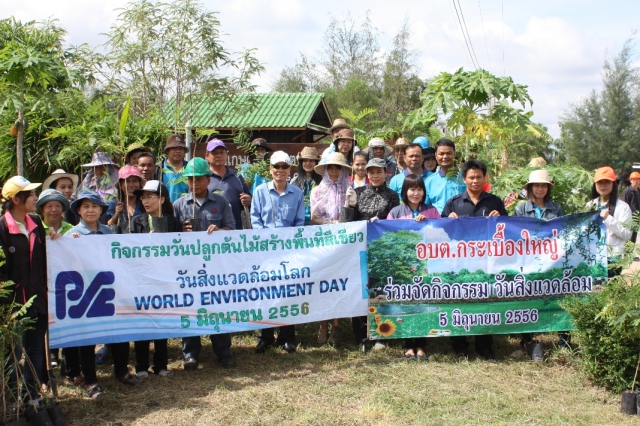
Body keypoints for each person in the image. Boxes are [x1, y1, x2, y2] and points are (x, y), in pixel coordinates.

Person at [65, 190, 144, 397]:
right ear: (79, 211)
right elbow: (64, 263)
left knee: (119, 331)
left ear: (101, 210)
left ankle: (121, 372)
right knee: (87, 338)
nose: (90, 210)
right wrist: (68, 245)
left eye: (94, 206)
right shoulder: (72, 235)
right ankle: (90, 381)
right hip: (85, 294)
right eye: (85, 207)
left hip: (110, 290)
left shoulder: (108, 232)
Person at [173, 157, 237, 370]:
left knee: (218, 306)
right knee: (190, 307)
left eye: (199, 179)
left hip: (215, 267)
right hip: (188, 268)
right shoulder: (179, 205)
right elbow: (170, 238)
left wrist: (219, 231)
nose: (194, 183)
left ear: (208, 180)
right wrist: (180, 231)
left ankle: (223, 351)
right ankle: (190, 354)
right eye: (190, 179)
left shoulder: (221, 202)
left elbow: (231, 229)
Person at [442, 159, 508, 361]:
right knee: (459, 301)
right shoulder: (454, 203)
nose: (475, 180)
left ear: (484, 178)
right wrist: (448, 220)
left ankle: (485, 346)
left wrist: (500, 218)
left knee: (485, 302)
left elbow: (506, 229)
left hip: (486, 262)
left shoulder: (495, 202)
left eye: (479, 177)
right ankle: (460, 347)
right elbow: (441, 232)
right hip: (460, 262)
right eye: (471, 177)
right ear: (464, 179)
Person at [251, 151, 305, 354]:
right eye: (276, 166)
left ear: (289, 169)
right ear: (270, 169)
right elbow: (255, 219)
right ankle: (265, 336)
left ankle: (287, 337)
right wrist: (267, 241)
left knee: (288, 293)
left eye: (284, 166)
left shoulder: (297, 193)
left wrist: (288, 243)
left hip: (289, 252)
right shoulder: (260, 191)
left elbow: (299, 222)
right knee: (266, 293)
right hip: (265, 251)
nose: (280, 170)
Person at [0, 176, 48, 404]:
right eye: (31, 194)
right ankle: (11, 400)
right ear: (16, 199)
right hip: (13, 304)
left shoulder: (36, 223)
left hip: (38, 301)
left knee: (35, 351)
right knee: (13, 354)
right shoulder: (1, 228)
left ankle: (32, 395)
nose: (36, 198)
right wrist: (7, 306)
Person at [346, 158, 400, 351]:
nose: (375, 175)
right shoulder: (358, 192)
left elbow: (394, 221)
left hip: (381, 248)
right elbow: (348, 223)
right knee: (360, 290)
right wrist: (351, 206)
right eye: (371, 172)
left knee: (380, 291)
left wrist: (382, 221)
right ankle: (361, 336)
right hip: (359, 248)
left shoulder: (392, 195)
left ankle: (380, 334)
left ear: (385, 173)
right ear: (367, 174)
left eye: (379, 172)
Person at [387, 174, 440, 360]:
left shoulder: (432, 211)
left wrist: (428, 224)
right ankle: (408, 345)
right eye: (412, 189)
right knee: (406, 305)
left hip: (426, 266)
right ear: (405, 191)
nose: (416, 193)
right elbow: (388, 236)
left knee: (424, 304)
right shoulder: (395, 212)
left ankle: (421, 345)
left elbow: (441, 235)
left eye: (419, 189)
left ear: (424, 192)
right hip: (403, 267)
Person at [131, 181, 180, 378]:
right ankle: (141, 366)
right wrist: (146, 242)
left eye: (150, 197)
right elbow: (130, 250)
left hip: (164, 278)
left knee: (162, 320)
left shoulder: (173, 222)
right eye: (143, 197)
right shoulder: (136, 221)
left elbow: (180, 249)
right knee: (142, 320)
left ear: (161, 199)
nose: (145, 201)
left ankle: (161, 365)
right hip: (143, 278)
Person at [513, 169, 565, 357]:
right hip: (528, 261)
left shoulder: (556, 208)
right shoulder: (521, 209)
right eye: (537, 185)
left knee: (557, 296)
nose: (540, 189)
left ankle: (564, 339)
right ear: (530, 188)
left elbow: (562, 232)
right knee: (527, 299)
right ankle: (527, 340)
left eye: (544, 186)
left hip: (551, 261)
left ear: (548, 188)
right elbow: (515, 233)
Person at [310, 152, 351, 344]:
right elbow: (314, 217)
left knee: (339, 284)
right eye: (331, 168)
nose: (334, 172)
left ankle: (336, 327)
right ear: (326, 170)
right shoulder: (317, 191)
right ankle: (323, 325)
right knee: (323, 284)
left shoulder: (349, 189)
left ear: (342, 171)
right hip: (323, 243)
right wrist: (330, 223)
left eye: (337, 168)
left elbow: (351, 215)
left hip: (343, 244)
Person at [587, 167, 633, 278]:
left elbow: (627, 234)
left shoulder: (623, 207)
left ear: (613, 184)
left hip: (612, 259)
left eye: (607, 182)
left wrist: (608, 219)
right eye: (600, 182)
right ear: (595, 184)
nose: (603, 185)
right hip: (592, 258)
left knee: (609, 288)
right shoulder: (589, 205)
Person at [205, 139, 252, 230]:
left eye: (222, 152)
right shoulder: (203, 178)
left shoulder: (237, 176)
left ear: (226, 154)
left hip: (235, 232)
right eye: (214, 153)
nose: (219, 155)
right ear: (207, 156)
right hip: (209, 233)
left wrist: (249, 200)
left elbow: (249, 201)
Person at [424, 139, 466, 214]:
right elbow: (425, 209)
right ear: (436, 156)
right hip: (438, 220)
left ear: (454, 154)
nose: (445, 156)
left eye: (449, 153)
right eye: (441, 154)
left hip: (462, 219)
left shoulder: (466, 177)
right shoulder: (429, 182)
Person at [106, 166, 145, 233]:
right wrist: (116, 215)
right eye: (127, 181)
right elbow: (106, 226)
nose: (131, 185)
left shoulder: (145, 205)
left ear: (139, 184)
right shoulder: (111, 205)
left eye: (134, 181)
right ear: (121, 185)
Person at [290, 146, 323, 225]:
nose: (308, 163)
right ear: (301, 163)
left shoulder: (323, 181)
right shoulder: (294, 181)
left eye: (311, 160)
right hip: (298, 222)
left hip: (317, 222)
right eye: (305, 160)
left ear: (316, 162)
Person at [161, 134, 189, 203]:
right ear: (167, 151)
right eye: (174, 148)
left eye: (180, 148)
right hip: (163, 208)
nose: (177, 151)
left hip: (185, 207)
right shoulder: (159, 168)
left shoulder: (190, 168)